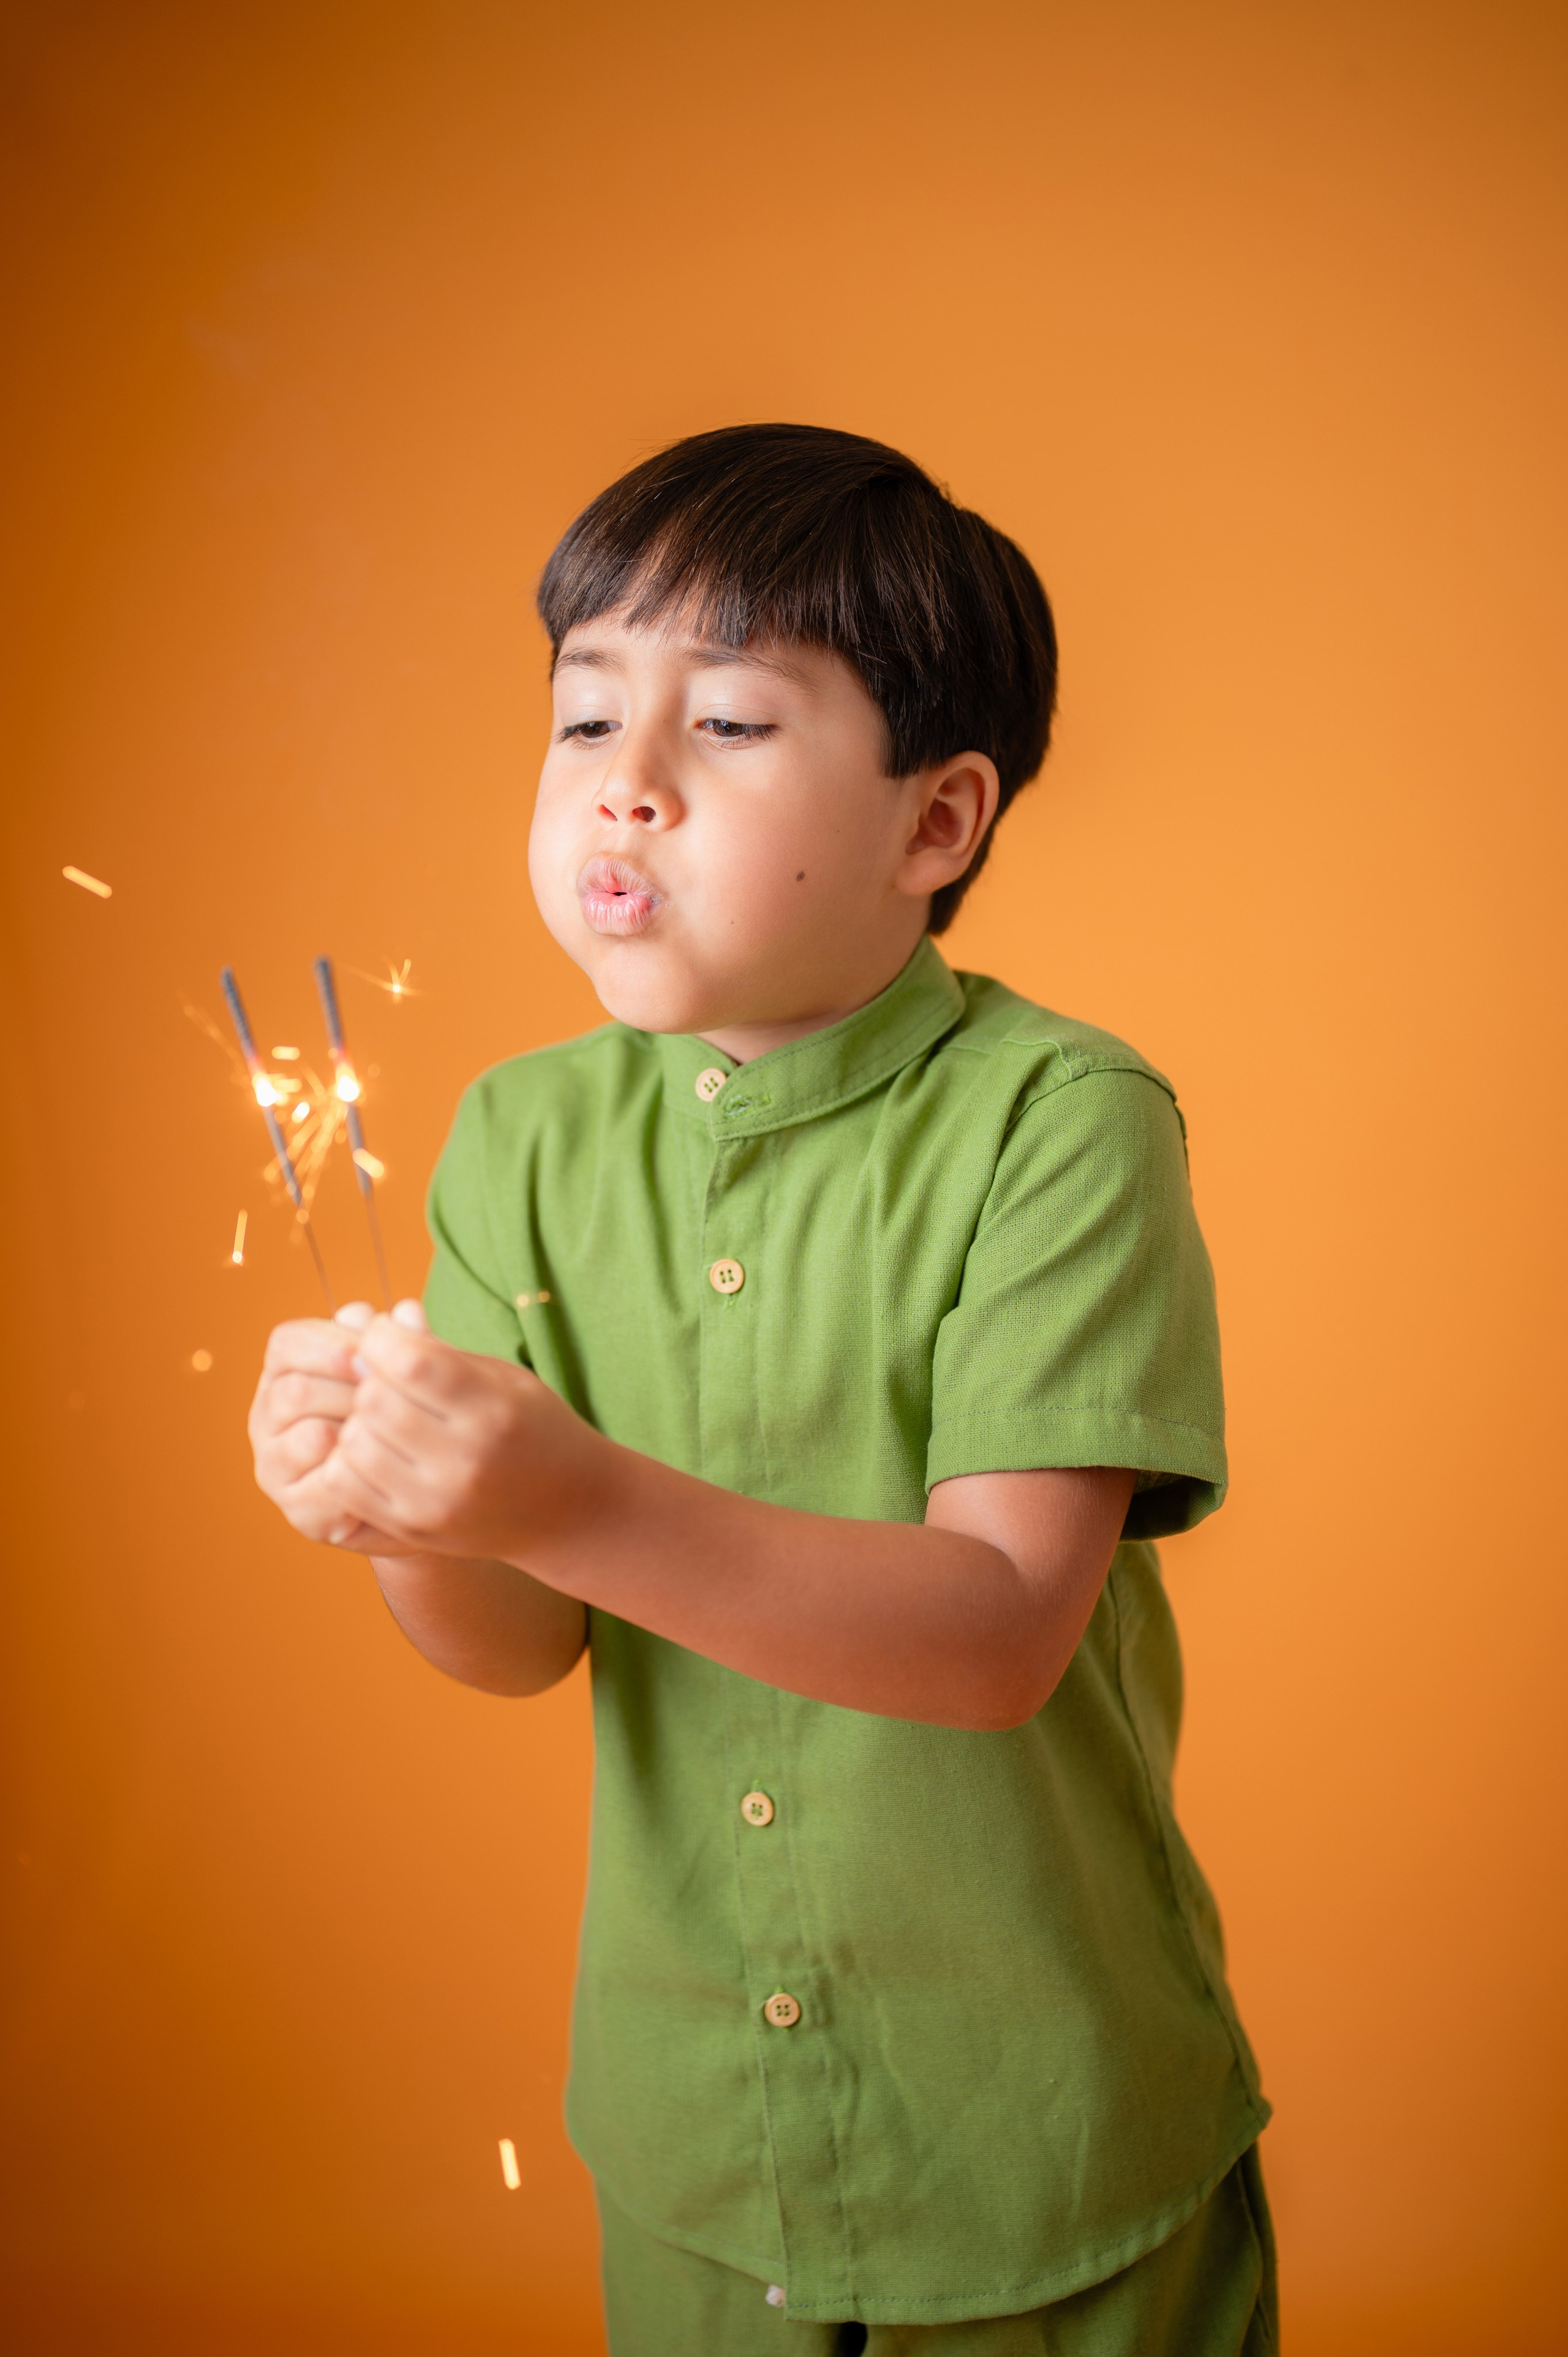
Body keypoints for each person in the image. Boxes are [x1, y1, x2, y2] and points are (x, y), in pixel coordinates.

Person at [248, 424, 1275, 2355]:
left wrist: (559, 1493)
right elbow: (518, 1645)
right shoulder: (517, 1138)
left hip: (1040, 2138)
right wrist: (402, 1512)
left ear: (935, 825)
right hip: (696, 2136)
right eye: (583, 718)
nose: (623, 785)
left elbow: (999, 1635)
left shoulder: (1063, 1123)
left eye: (724, 724)